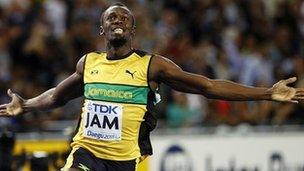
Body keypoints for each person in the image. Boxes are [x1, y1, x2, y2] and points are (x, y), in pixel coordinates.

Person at [0, 3, 304, 171]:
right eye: (111, 18)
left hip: (125, 161)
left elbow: (207, 86)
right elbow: (56, 96)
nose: (117, 20)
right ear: (101, 28)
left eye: (124, 18)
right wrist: (25, 104)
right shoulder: (88, 63)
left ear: (133, 29)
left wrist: (266, 93)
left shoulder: (153, 65)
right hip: (86, 152)